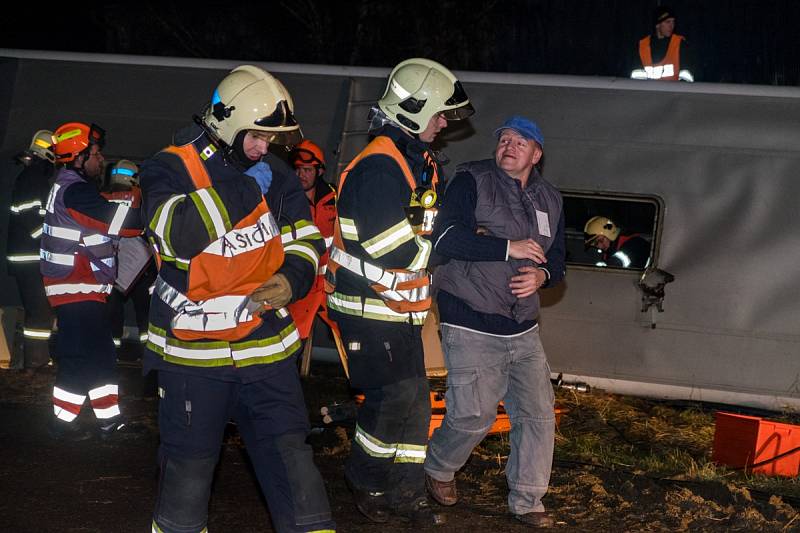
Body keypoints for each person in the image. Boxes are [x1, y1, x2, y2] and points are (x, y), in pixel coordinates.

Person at [139, 65, 334, 533]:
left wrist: (291, 278)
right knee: (187, 472)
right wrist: (247, 188)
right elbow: (176, 236)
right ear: (227, 122)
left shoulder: (276, 173)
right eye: (257, 136)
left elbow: (306, 238)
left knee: (295, 467)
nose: (265, 148)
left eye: (271, 139)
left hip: (266, 351)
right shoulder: (168, 167)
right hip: (193, 357)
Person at [326, 57, 474, 526]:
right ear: (413, 109)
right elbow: (390, 249)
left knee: (412, 405)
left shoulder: (419, 163)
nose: (445, 123)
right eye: (439, 113)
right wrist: (448, 247)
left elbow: (432, 227)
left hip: (399, 310)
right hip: (368, 308)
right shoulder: (379, 169)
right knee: (395, 399)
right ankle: (366, 477)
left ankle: (405, 492)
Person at [423, 116, 565, 528]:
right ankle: (438, 466)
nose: (509, 146)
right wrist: (508, 247)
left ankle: (527, 500)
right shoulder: (472, 180)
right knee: (474, 416)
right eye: (503, 139)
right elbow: (446, 238)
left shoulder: (550, 198)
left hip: (523, 326)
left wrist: (543, 276)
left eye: (521, 141)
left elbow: (556, 256)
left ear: (536, 154)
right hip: (469, 316)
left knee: (538, 415)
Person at [41, 122, 143, 439]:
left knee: (96, 355)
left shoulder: (68, 187)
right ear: (79, 157)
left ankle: (105, 422)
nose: (101, 159)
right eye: (96, 153)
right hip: (77, 288)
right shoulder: (77, 191)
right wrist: (153, 214)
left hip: (78, 289)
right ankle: (67, 424)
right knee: (82, 357)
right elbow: (118, 223)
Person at [6, 130, 57, 372]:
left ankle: (34, 362)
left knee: (38, 311)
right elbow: (30, 218)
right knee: (39, 312)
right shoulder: (33, 178)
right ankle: (36, 363)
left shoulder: (32, 177)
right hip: (31, 258)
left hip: (28, 258)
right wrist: (48, 245)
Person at [103, 159, 155, 358]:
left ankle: (111, 354)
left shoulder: (102, 197)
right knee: (145, 315)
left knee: (113, 314)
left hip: (111, 265)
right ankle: (148, 356)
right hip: (141, 265)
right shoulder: (142, 197)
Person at [287, 139, 337, 341]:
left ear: (320, 171)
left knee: (350, 336)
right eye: (298, 169)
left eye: (307, 170)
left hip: (329, 284)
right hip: (300, 280)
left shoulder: (334, 199)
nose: (301, 175)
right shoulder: (285, 200)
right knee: (293, 339)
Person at [630, 5, 695, 82]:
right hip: (648, 93)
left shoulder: (681, 44)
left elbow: (686, 80)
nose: (671, 26)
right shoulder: (641, 46)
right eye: (667, 22)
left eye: (673, 22)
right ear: (657, 25)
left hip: (674, 93)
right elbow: (636, 80)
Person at [584, 215, 651, 269]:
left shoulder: (634, 244)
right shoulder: (610, 251)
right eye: (596, 244)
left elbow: (613, 267)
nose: (599, 246)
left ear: (610, 233)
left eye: (600, 241)